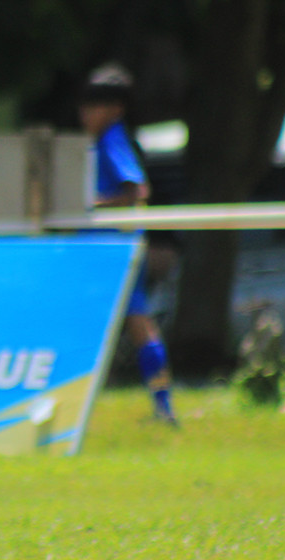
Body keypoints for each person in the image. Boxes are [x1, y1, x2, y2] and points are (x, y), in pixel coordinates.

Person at [78, 62, 178, 424]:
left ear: (115, 108)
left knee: (127, 326)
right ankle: (162, 405)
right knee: (138, 325)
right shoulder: (109, 139)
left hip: (113, 253)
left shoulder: (112, 140)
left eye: (94, 105)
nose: (85, 113)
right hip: (110, 251)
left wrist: (87, 204)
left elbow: (136, 190)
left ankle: (161, 405)